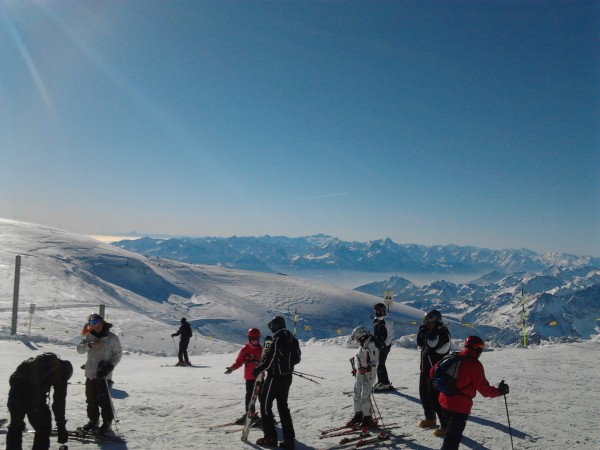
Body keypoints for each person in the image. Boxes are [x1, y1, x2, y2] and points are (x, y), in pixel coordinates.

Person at [433, 336, 509, 450]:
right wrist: (499, 391)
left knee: (450, 434)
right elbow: (485, 390)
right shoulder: (474, 365)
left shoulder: (453, 356)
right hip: (459, 407)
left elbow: (432, 372)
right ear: (477, 350)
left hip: (444, 401)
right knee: (452, 441)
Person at [6, 353, 73, 450]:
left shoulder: (38, 362)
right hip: (34, 398)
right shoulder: (61, 373)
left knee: (15, 426)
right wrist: (61, 427)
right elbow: (59, 403)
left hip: (15, 393)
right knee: (43, 427)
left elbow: (14, 378)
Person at [253, 316, 297, 450]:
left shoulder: (278, 339)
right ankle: (289, 439)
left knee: (265, 406)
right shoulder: (292, 338)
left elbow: (271, 358)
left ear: (275, 326)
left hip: (274, 378)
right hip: (287, 377)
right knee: (283, 407)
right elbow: (297, 358)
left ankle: (270, 437)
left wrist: (258, 369)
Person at [76, 313, 122, 434]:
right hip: (90, 374)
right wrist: (90, 345)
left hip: (104, 376)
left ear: (102, 322)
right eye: (92, 323)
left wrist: (110, 366)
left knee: (104, 401)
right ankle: (93, 421)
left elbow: (118, 354)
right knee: (91, 400)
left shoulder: (112, 338)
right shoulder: (89, 336)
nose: (95, 326)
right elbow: (79, 349)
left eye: (97, 322)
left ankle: (107, 423)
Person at [417, 309, 451, 436]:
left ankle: (446, 425)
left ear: (435, 322)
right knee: (424, 395)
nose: (427, 325)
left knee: (436, 399)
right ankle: (430, 418)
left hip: (436, 372)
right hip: (425, 369)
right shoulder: (432, 331)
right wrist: (422, 333)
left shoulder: (443, 332)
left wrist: (426, 334)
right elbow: (421, 343)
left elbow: (433, 345)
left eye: (429, 323)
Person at [225, 328, 263, 425]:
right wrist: (231, 368)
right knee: (249, 397)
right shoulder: (244, 350)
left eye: (256, 338)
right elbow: (239, 362)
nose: (255, 340)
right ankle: (250, 414)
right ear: (249, 338)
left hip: (260, 378)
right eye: (253, 338)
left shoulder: (262, 350)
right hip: (249, 378)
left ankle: (266, 415)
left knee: (263, 397)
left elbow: (267, 363)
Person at [346, 326, 379, 429]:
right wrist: (356, 369)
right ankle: (358, 415)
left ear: (362, 336)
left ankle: (368, 417)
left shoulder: (371, 345)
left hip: (368, 375)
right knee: (356, 394)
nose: (356, 341)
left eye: (357, 338)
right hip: (360, 374)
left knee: (364, 395)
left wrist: (367, 368)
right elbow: (360, 359)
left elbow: (375, 361)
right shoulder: (363, 344)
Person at [372, 303, 394, 392]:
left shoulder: (387, 321)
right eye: (375, 311)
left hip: (385, 346)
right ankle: (381, 381)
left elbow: (390, 335)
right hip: (377, 345)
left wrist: (384, 344)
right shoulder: (376, 320)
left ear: (382, 311)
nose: (375, 313)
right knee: (378, 363)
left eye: (377, 311)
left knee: (381, 363)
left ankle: (385, 383)